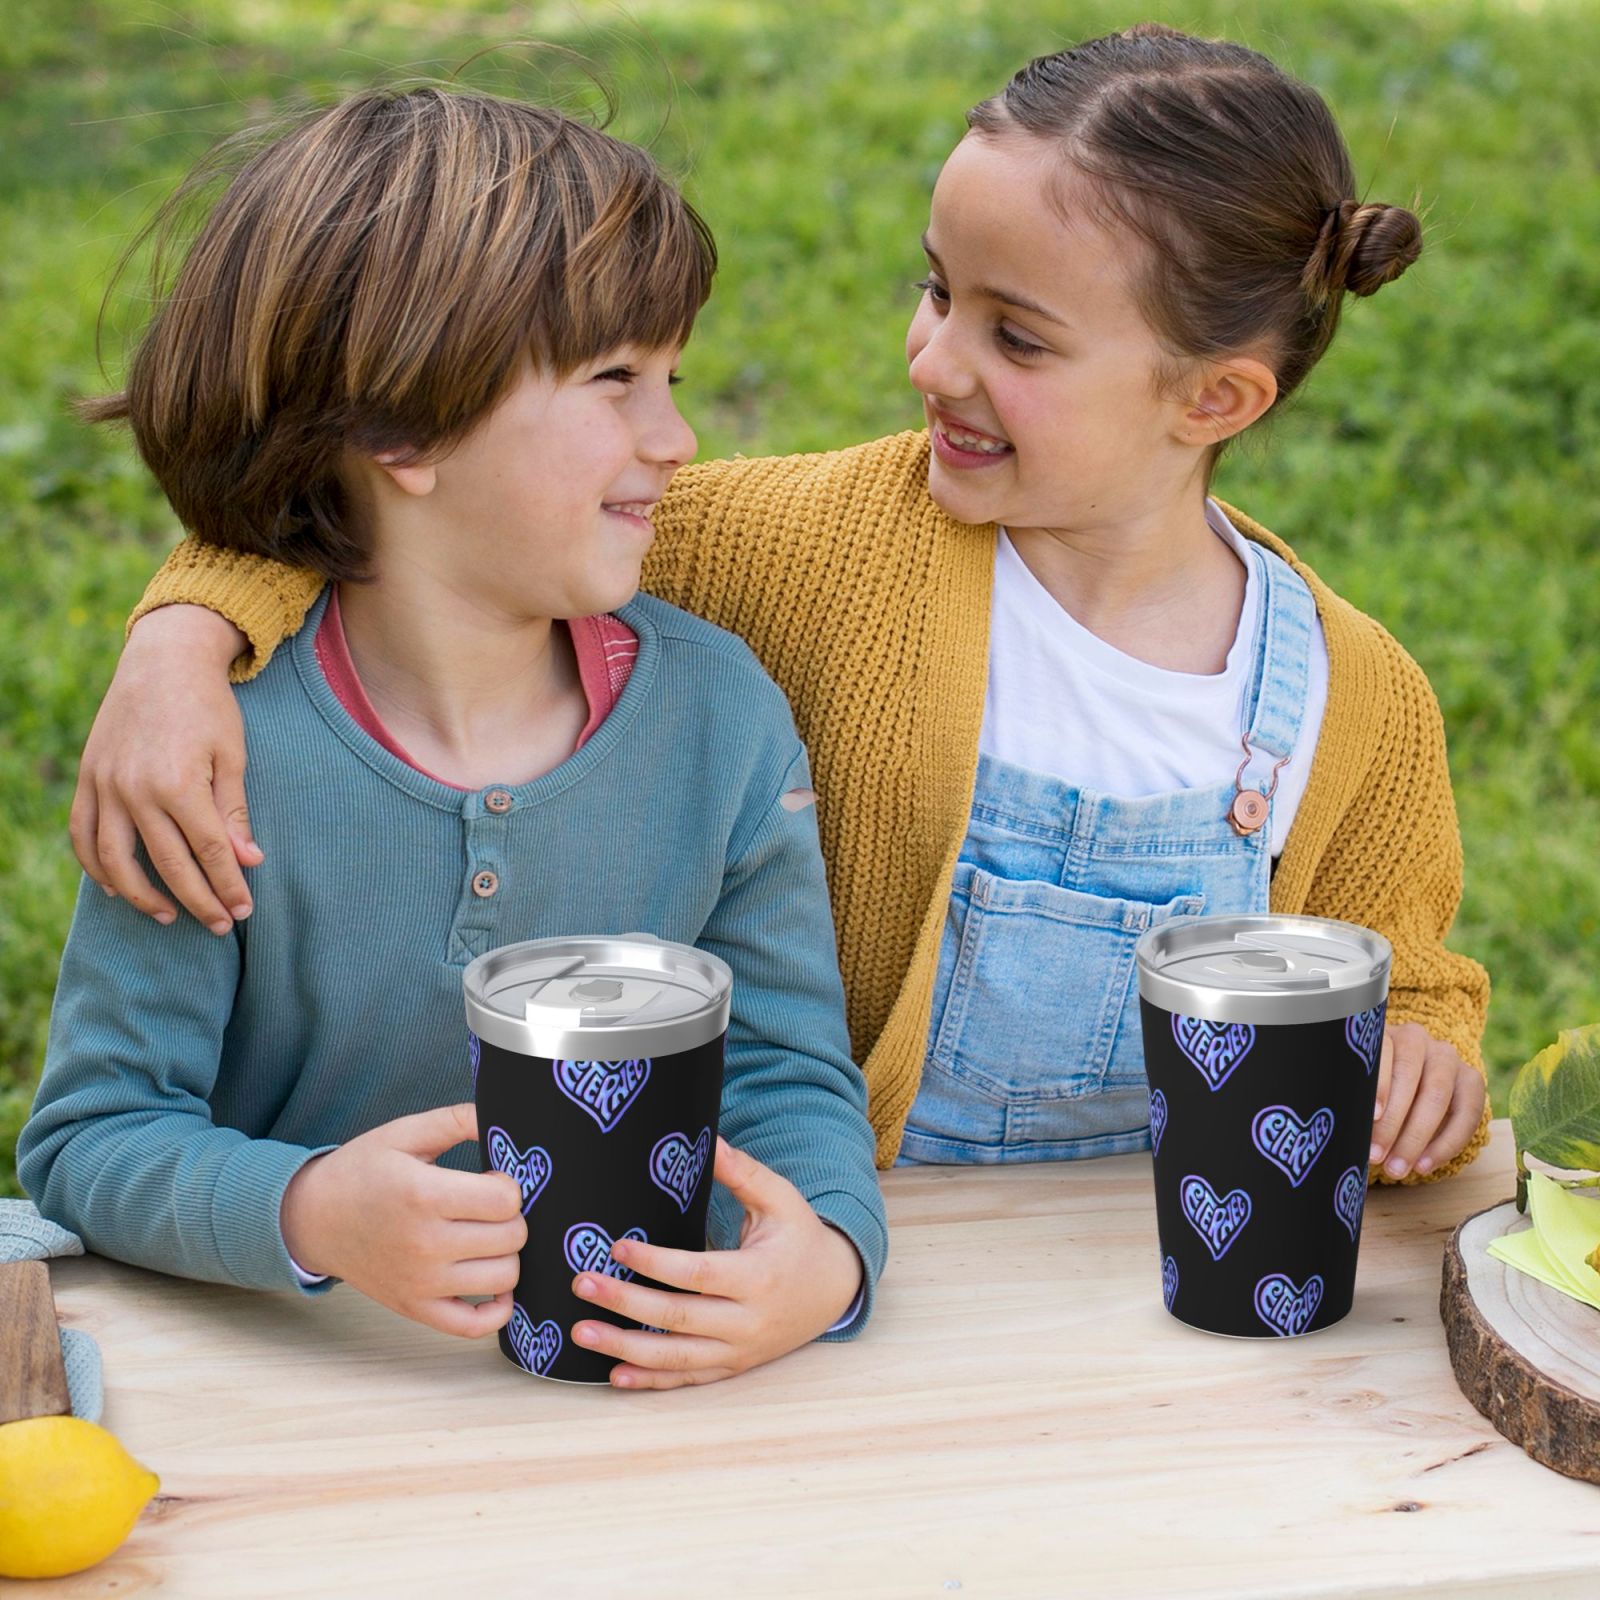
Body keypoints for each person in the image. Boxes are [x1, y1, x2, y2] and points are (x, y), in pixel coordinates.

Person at [68, 25, 1490, 1189]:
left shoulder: (1353, 698)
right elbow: (419, 506)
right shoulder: (808, 547)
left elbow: (1403, 974)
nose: (933, 358)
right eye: (937, 290)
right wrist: (185, 635)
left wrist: (1422, 1051)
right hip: (845, 1251)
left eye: (1018, 335)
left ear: (1216, 397)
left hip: (1157, 1285)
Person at [20, 86, 887, 1391]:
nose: (677, 438)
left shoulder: (723, 720)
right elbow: (94, 1138)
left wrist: (824, 1252)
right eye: (614, 383)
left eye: (673, 379)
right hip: (302, 1403)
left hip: (634, 1411)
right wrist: (312, 1211)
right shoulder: (207, 757)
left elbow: (779, 1072)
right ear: (398, 429)